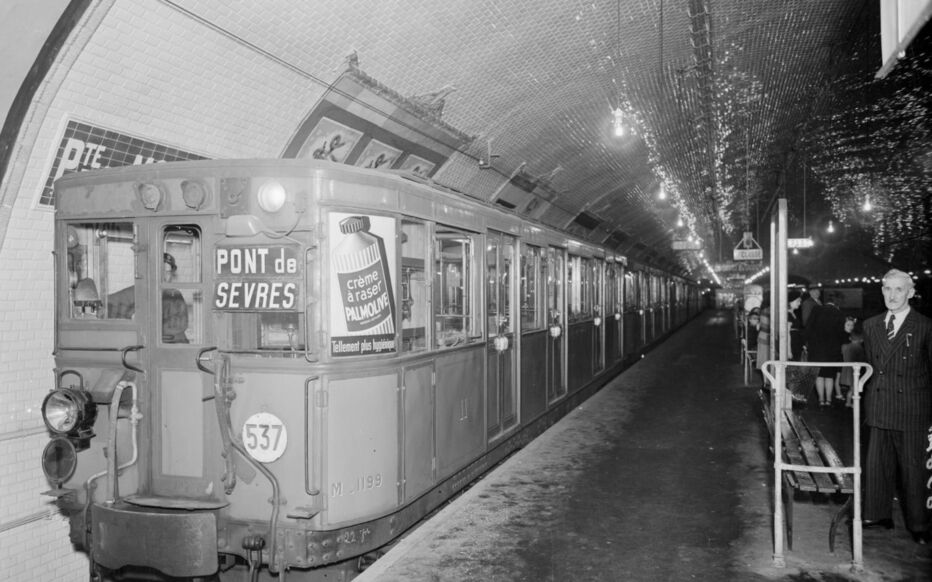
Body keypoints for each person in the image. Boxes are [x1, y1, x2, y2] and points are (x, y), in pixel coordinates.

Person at [862, 269, 932, 544]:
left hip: (913, 408)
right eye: (887, 289)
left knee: (915, 470)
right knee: (878, 465)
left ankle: (920, 525)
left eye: (899, 290)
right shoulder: (871, 325)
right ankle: (878, 514)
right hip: (879, 405)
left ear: (911, 293)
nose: (892, 295)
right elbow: (872, 366)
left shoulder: (925, 326)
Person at [804, 299, 847, 406]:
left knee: (819, 375)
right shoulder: (839, 313)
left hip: (816, 349)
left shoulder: (816, 310)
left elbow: (808, 328)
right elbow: (842, 334)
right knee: (829, 376)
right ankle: (828, 400)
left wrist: (807, 343)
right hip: (832, 350)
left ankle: (821, 400)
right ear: (836, 305)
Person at [161, 252, 189, 343]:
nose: (165, 276)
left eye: (168, 272)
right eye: (162, 272)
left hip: (173, 342)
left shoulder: (176, 295)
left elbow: (182, 324)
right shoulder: (144, 295)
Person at [839, 327, 865, 408]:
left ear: (850, 338)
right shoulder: (859, 348)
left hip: (846, 370)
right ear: (861, 340)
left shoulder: (844, 346)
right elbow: (861, 360)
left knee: (851, 389)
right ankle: (852, 403)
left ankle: (848, 402)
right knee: (854, 389)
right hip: (854, 371)